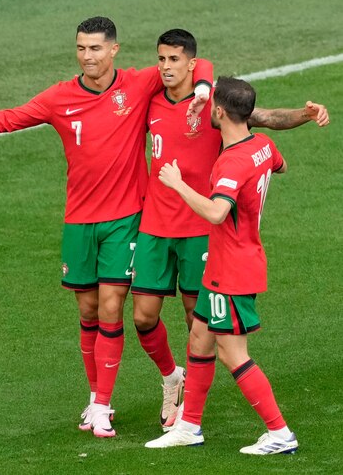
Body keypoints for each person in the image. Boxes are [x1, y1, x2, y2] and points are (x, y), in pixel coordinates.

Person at [0, 16, 212, 438]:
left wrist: (206, 88)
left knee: (113, 306)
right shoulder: (59, 97)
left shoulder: (138, 84)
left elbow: (196, 62)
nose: (87, 56)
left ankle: (102, 405)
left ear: (114, 50)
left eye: (96, 49)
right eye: (81, 48)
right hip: (79, 219)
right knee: (87, 310)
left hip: (125, 218)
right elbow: (13, 117)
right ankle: (165, 378)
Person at [132, 29, 329, 430]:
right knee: (149, 318)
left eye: (175, 60)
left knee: (210, 335)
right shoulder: (152, 103)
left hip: (210, 236)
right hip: (158, 226)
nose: (166, 67)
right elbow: (275, 157)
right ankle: (181, 401)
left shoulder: (218, 114)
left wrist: (303, 116)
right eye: (162, 60)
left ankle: (274, 430)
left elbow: (266, 118)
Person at [144, 77, 298, 454]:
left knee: (232, 354)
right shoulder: (262, 145)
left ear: (220, 112)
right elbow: (281, 166)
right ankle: (189, 426)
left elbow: (216, 212)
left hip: (233, 268)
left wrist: (177, 184)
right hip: (224, 264)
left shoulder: (231, 161)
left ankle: (279, 432)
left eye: (211, 103)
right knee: (199, 338)